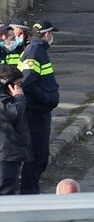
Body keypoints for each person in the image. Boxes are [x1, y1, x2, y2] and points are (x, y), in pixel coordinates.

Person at [15, 21, 58, 193]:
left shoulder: (38, 51)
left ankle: (32, 190)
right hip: (35, 112)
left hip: (39, 111)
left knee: (40, 155)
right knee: (36, 156)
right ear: (46, 34)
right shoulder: (34, 53)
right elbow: (27, 83)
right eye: (52, 33)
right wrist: (46, 99)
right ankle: (29, 194)